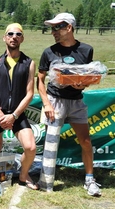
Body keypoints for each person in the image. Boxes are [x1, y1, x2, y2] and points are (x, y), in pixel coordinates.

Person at [37, 13, 101, 196]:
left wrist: (83, 84)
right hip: (55, 102)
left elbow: (88, 75)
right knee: (51, 142)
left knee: (86, 141)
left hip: (77, 102)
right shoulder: (49, 52)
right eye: (52, 28)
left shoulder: (86, 50)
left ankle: (90, 180)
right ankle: (46, 181)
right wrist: (47, 104)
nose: (53, 32)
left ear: (69, 28)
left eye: (57, 27)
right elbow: (40, 80)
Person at [0, 23, 38, 191]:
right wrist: (1, 115)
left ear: (22, 38)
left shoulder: (29, 63)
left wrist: (13, 116)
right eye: (10, 34)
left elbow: (29, 93)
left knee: (30, 147)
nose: (14, 37)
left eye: (18, 34)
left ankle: (23, 175)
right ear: (4, 37)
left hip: (17, 114)